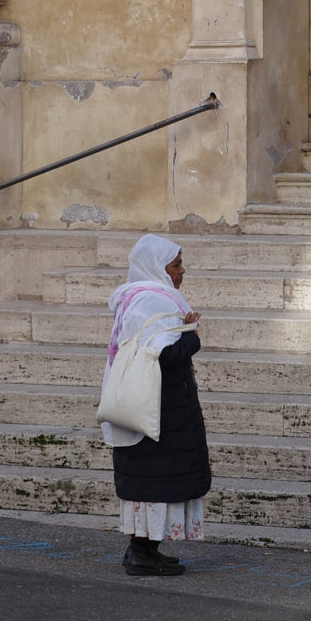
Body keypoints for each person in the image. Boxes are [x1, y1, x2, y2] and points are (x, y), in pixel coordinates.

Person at [100, 233, 211, 576]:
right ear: (157, 267)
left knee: (150, 481)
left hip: (156, 408)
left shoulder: (139, 297)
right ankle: (141, 553)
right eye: (176, 264)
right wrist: (192, 337)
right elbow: (162, 355)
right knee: (155, 480)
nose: (182, 271)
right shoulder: (153, 302)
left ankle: (145, 550)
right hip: (157, 411)